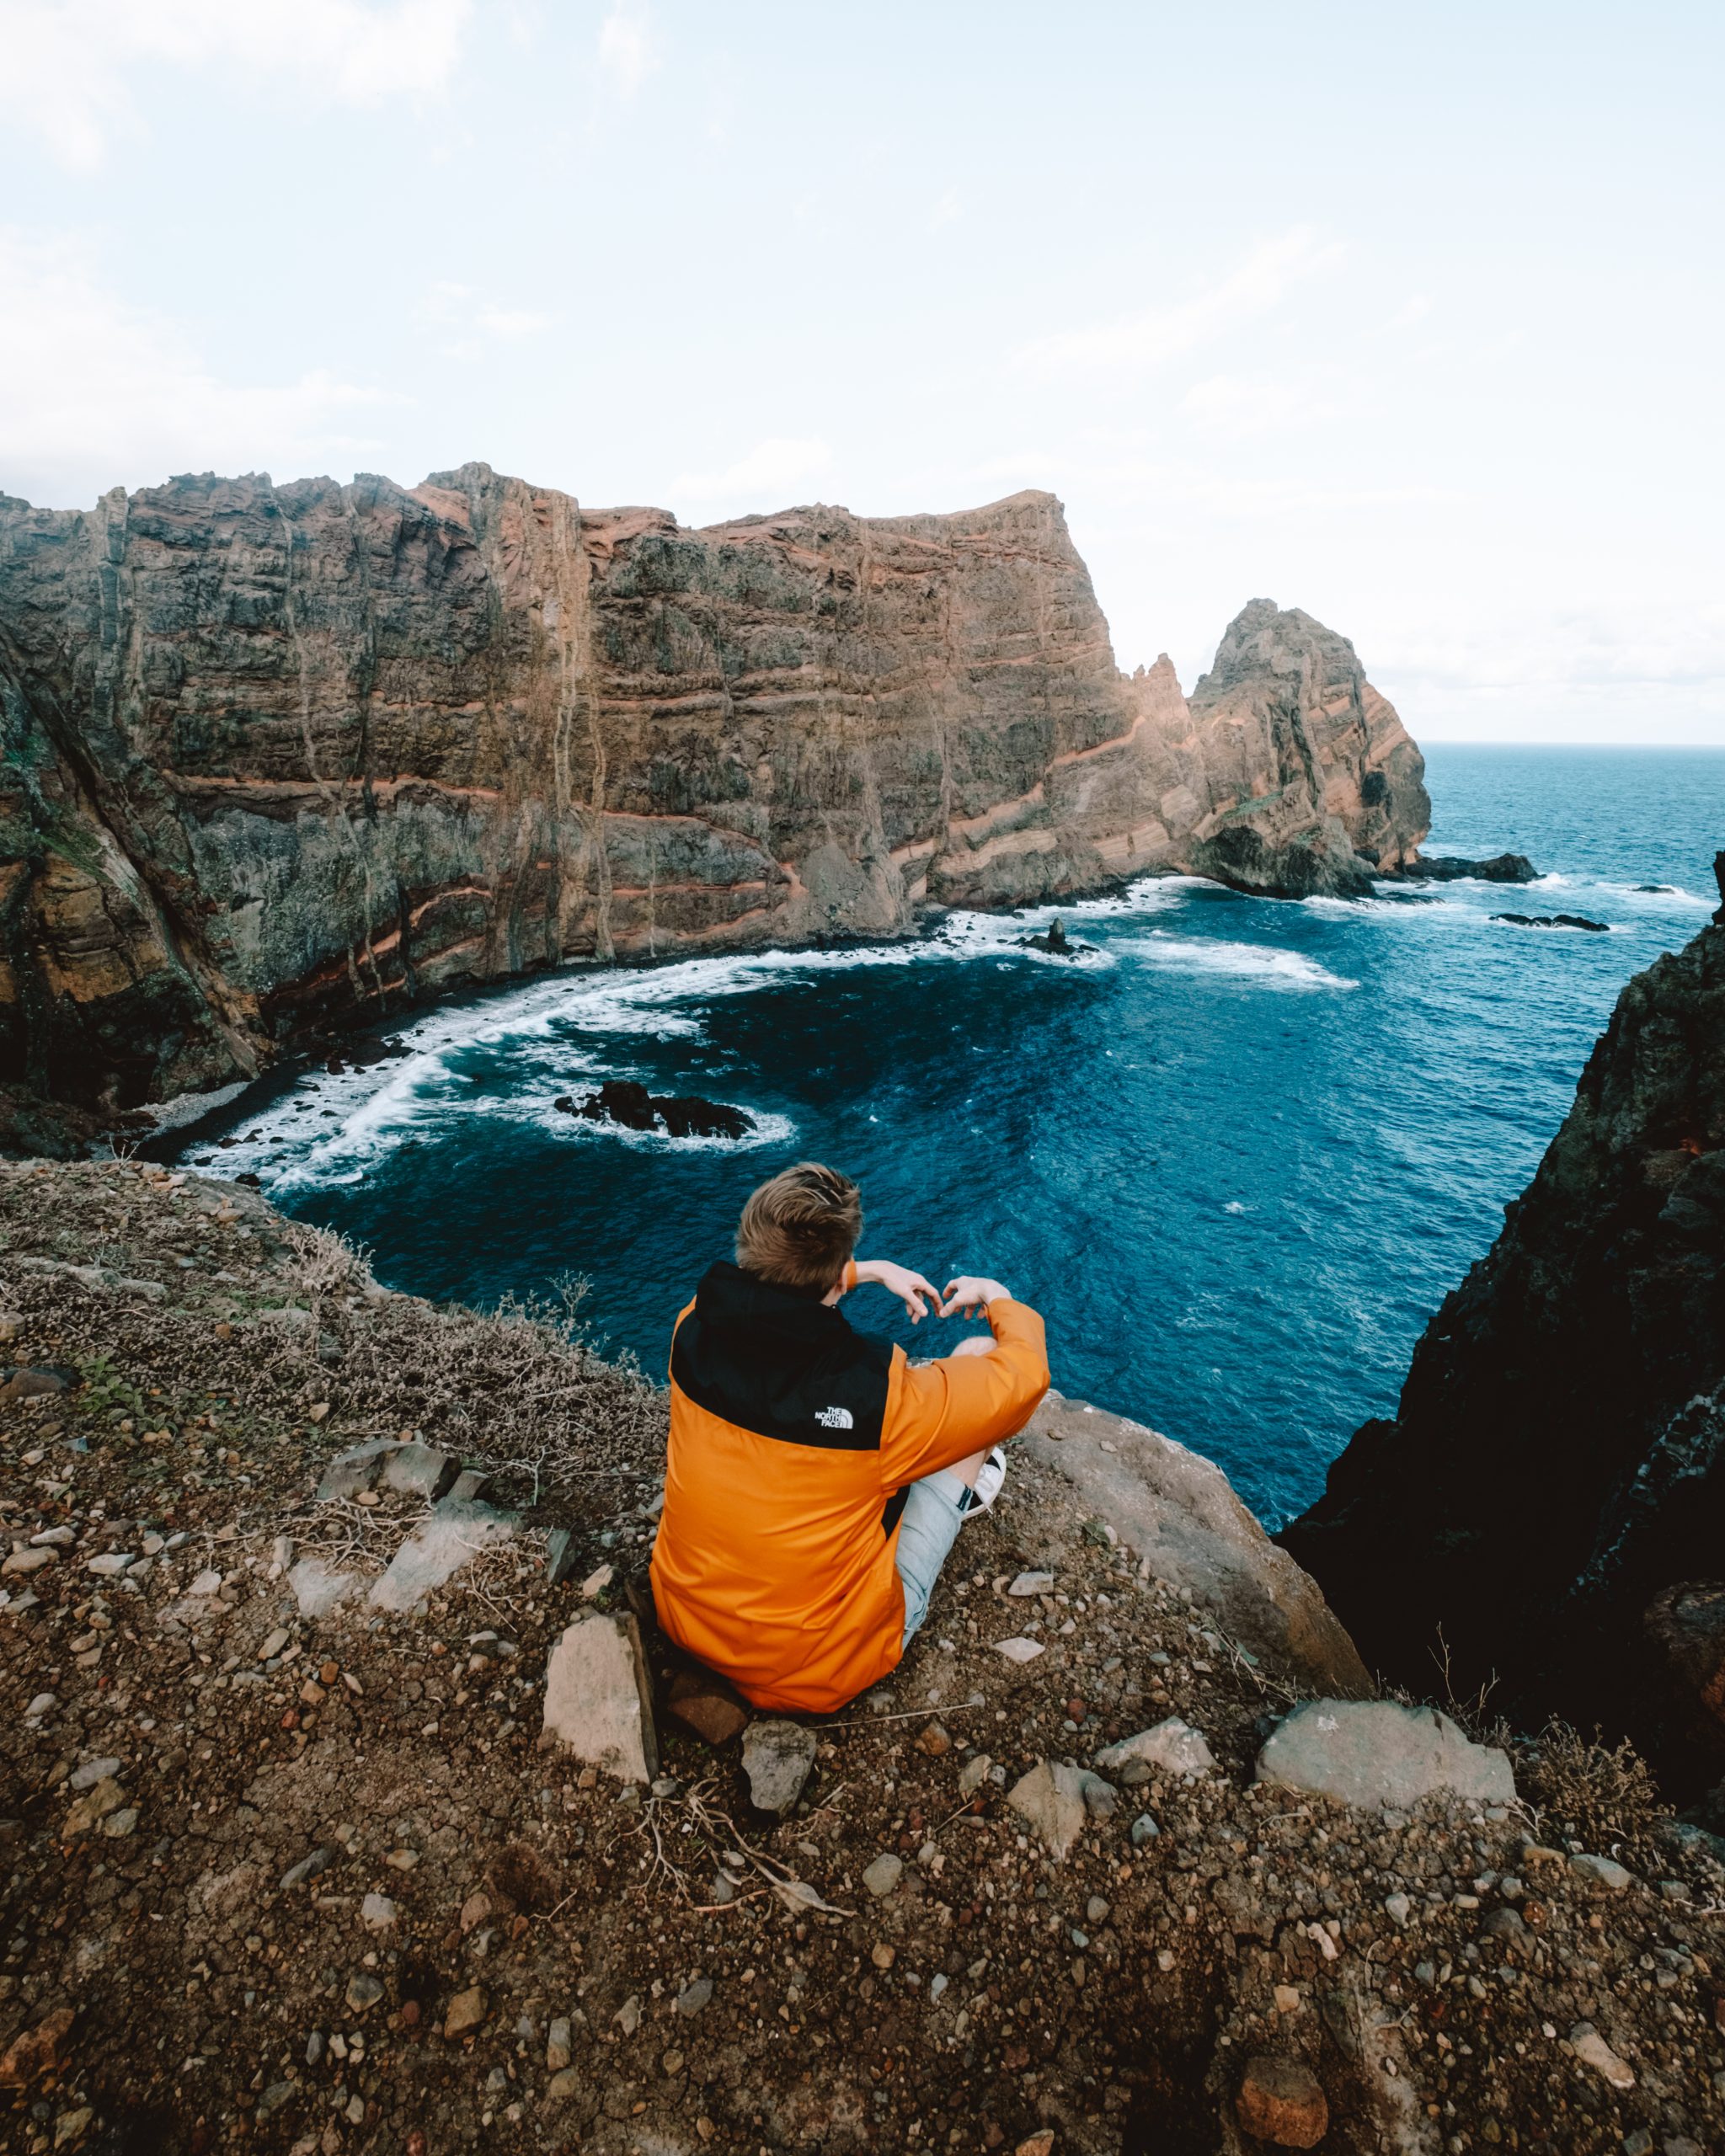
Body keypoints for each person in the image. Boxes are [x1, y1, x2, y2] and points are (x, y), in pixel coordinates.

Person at [650, 1161, 1050, 1713]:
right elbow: (1023, 1380)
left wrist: (867, 1270)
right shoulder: (877, 1399)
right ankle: (963, 1492)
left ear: (748, 1249)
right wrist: (999, 1297)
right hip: (815, 1670)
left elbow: (771, 1297)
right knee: (973, 1359)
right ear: (837, 1278)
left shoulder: (689, 1328)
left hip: (686, 1618)